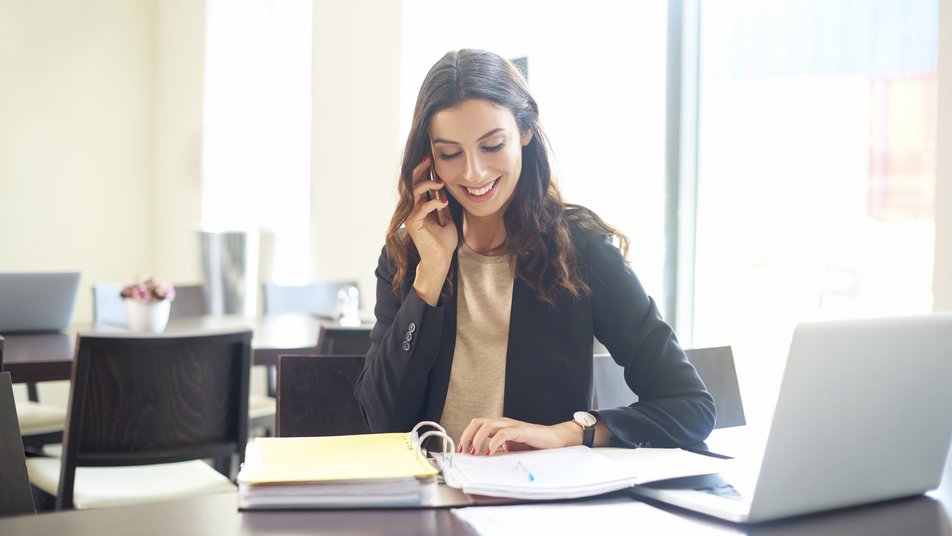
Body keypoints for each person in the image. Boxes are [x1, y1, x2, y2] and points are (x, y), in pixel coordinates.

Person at [355, 49, 714, 455]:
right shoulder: (410, 256)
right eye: (450, 153)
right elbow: (381, 421)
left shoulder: (580, 251)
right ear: (429, 160)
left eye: (491, 146)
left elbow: (690, 406)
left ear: (525, 129)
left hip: (538, 503)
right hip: (430, 500)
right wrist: (430, 275)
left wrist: (570, 432)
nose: (473, 172)